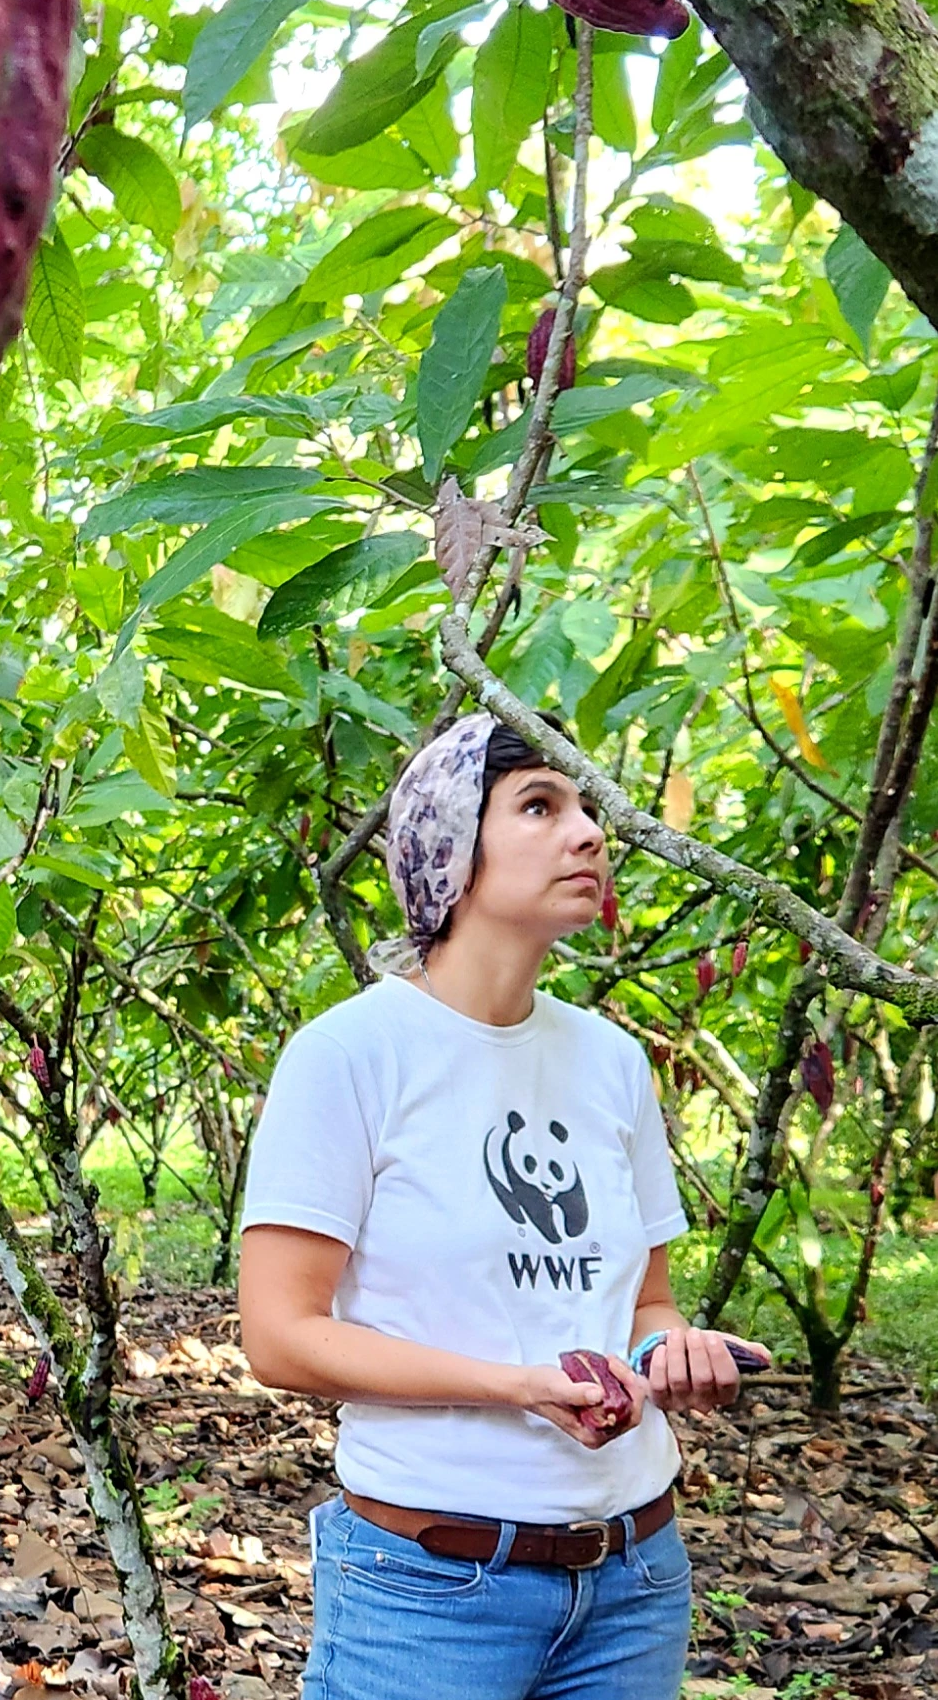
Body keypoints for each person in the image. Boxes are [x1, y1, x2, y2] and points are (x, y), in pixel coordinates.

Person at [238, 711, 767, 1700]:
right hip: (427, 1587)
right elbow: (279, 1337)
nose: (589, 833)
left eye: (586, 807)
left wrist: (673, 1355)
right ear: (449, 849)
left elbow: (643, 1307)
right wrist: (516, 1386)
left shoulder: (612, 1060)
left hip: (634, 1579)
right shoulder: (349, 1055)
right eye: (538, 806)